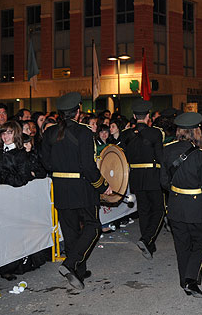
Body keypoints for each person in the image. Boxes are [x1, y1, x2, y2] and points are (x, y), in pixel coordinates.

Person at [40, 92, 112, 290]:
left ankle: (78, 273)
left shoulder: (49, 133)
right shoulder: (84, 132)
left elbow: (45, 162)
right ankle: (71, 263)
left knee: (70, 232)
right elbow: (88, 166)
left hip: (61, 189)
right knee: (93, 226)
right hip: (82, 188)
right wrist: (103, 185)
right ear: (78, 111)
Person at [160, 112, 202, 298]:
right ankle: (190, 280)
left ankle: (183, 280)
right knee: (201, 242)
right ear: (196, 131)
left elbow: (163, 181)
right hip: (196, 207)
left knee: (182, 244)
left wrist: (177, 191)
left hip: (175, 205)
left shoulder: (167, 150)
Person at [119, 99, 166, 260]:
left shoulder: (125, 135)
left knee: (144, 210)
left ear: (133, 116)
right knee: (158, 210)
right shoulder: (155, 133)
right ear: (148, 116)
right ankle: (146, 239)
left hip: (136, 177)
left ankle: (149, 244)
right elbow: (160, 157)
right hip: (152, 176)